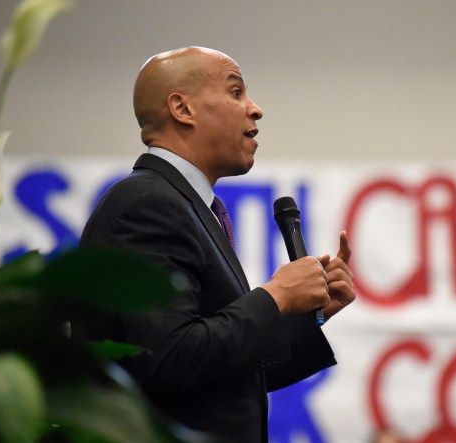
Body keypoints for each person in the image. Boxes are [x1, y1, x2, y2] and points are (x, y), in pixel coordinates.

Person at [79, 46, 355, 442]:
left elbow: (220, 378)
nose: (256, 109)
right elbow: (169, 360)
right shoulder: (149, 206)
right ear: (183, 109)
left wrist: (303, 314)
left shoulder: (187, 207)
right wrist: (275, 297)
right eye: (236, 91)